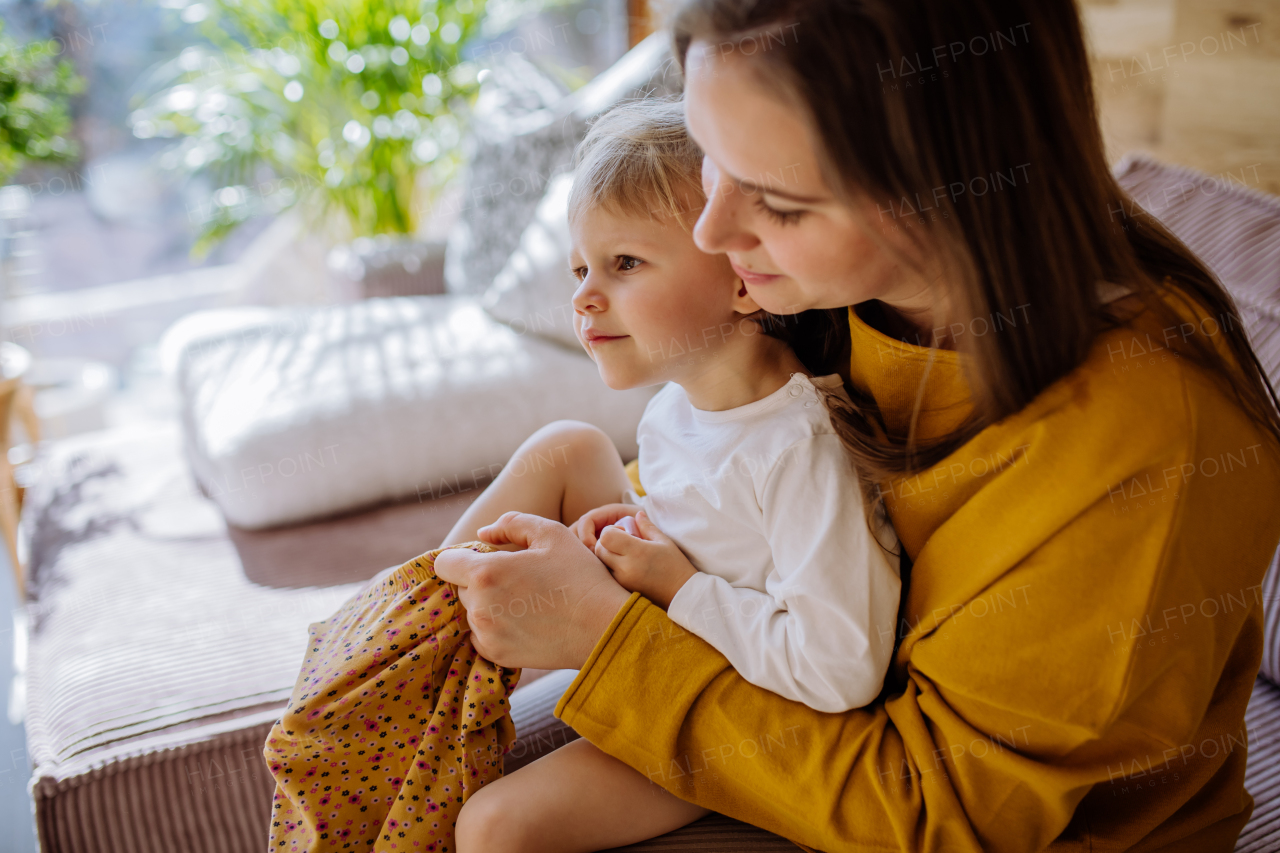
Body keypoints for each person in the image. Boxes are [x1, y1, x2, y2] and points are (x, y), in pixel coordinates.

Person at [433, 0, 1280, 850]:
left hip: (940, 812)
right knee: (449, 781)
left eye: (776, 199)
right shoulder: (837, 290)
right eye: (712, 162)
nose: (711, 231)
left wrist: (606, 635)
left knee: (498, 826)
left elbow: (939, 814)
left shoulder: (1143, 439)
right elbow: (742, 475)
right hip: (795, 695)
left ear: (945, 171)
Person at [448, 97, 900, 851]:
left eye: (625, 263)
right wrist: (631, 539)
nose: (584, 296)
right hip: (685, 639)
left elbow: (840, 670)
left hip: (755, 708)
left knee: (494, 826)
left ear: (744, 278)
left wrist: (675, 586)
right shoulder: (672, 411)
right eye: (580, 267)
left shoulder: (797, 448)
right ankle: (409, 648)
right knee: (567, 446)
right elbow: (711, 535)